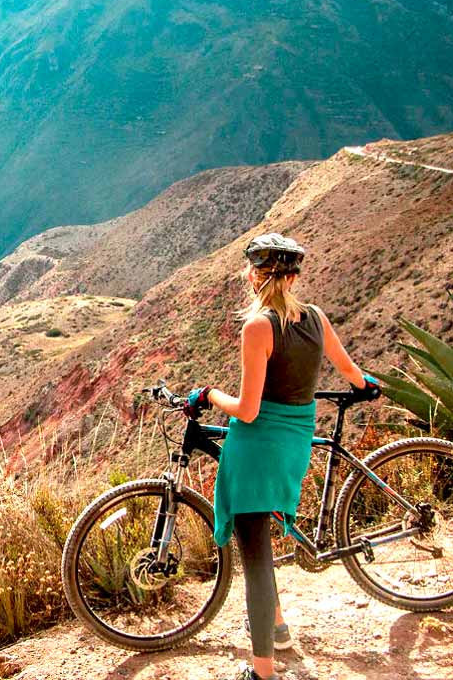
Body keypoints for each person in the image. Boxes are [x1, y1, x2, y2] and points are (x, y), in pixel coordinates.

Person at [183, 233, 379, 680]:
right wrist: (367, 385)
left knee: (255, 558)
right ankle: (279, 628)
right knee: (261, 548)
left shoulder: (258, 327)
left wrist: (208, 394)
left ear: (255, 276)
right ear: (293, 277)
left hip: (256, 448)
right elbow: (351, 371)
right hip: (294, 444)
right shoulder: (317, 318)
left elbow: (248, 410)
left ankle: (263, 672)